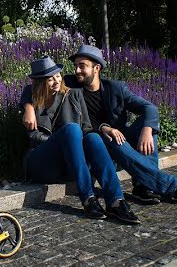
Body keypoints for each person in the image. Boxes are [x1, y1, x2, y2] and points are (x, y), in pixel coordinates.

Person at [22, 44, 177, 205]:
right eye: (76, 66)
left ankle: (144, 186)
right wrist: (28, 106)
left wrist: (146, 129)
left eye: (82, 66)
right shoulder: (70, 83)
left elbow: (149, 108)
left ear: (96, 68)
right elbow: (37, 84)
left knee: (146, 126)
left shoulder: (116, 88)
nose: (77, 70)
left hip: (117, 143)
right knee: (110, 136)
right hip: (94, 145)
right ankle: (173, 188)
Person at [23, 56, 140, 224]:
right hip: (43, 163)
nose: (56, 81)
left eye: (58, 75)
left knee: (92, 137)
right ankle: (88, 198)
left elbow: (86, 127)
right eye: (50, 79)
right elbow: (33, 136)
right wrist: (28, 107)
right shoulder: (32, 100)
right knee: (71, 130)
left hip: (69, 164)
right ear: (40, 83)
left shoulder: (74, 95)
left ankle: (115, 201)